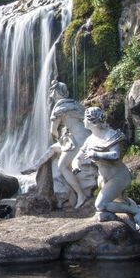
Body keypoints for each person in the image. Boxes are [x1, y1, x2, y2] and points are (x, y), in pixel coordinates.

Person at [72, 107, 140, 230]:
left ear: (91, 120)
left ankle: (134, 210)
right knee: (121, 200)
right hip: (103, 178)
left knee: (100, 205)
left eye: (85, 118)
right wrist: (75, 166)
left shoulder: (110, 135)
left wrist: (96, 154)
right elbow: (77, 157)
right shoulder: (90, 140)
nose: (83, 120)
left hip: (119, 176)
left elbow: (115, 155)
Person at [22, 80, 90, 208]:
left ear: (56, 92)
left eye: (52, 91)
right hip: (85, 136)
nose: (50, 94)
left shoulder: (59, 107)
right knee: (52, 149)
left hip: (78, 141)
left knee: (62, 166)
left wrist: (59, 138)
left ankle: (81, 194)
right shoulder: (75, 104)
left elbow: (52, 131)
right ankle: (35, 166)